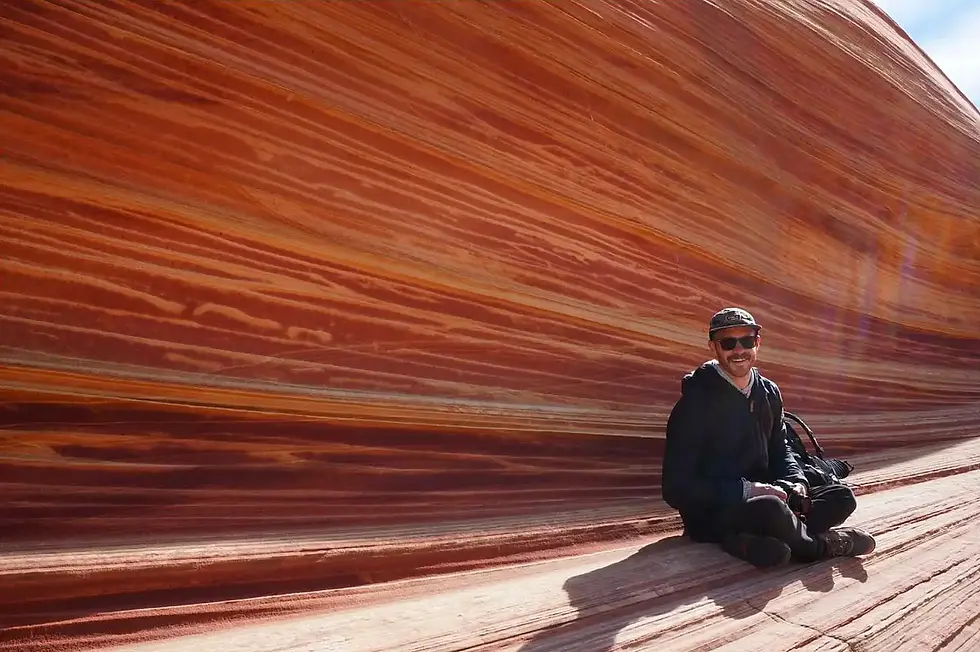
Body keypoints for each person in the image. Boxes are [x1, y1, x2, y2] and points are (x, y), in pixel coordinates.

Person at [661, 307, 875, 568]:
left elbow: (780, 449)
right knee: (772, 510)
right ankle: (819, 546)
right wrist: (748, 490)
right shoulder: (694, 405)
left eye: (747, 341)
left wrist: (795, 482)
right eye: (728, 343)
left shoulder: (769, 392)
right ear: (712, 347)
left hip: (770, 498)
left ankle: (748, 542)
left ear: (757, 343)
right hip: (715, 512)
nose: (738, 350)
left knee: (841, 497)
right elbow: (676, 489)